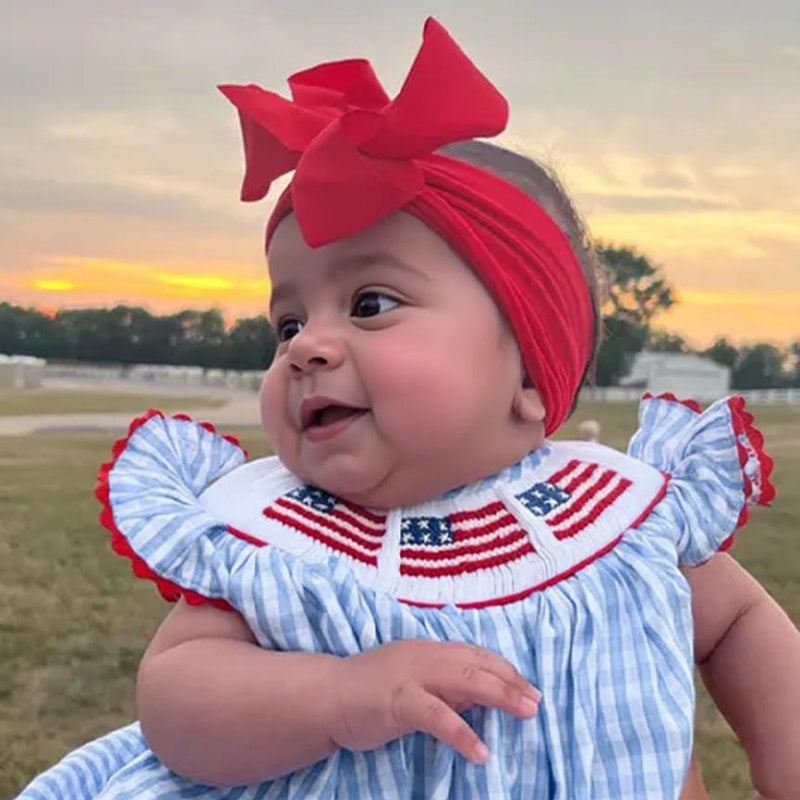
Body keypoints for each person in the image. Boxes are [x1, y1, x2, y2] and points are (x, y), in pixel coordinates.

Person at [17, 18, 799, 800]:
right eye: (288, 321)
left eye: (370, 302)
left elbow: (737, 625)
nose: (305, 347)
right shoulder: (279, 540)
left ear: (528, 371)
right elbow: (176, 704)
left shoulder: (609, 520)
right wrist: (338, 697)